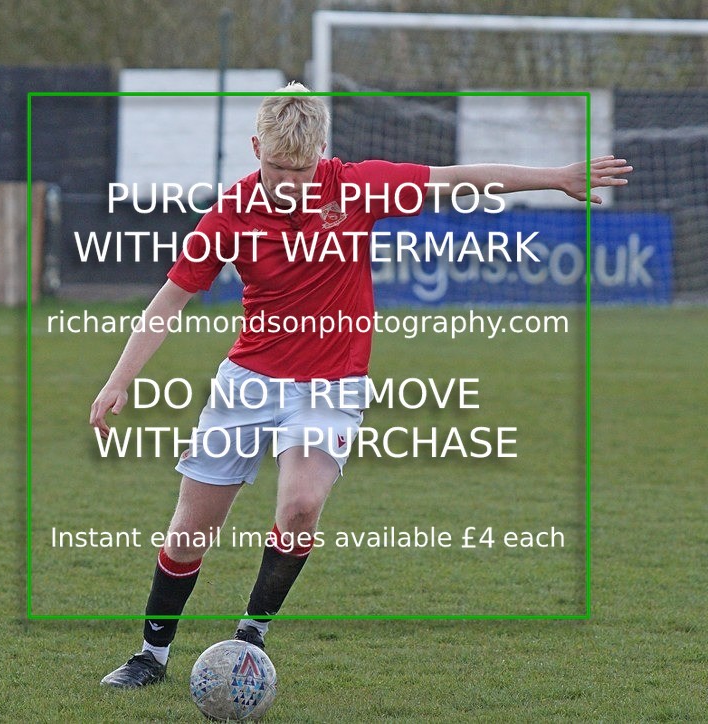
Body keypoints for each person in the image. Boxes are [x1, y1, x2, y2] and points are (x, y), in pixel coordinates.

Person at [91, 82, 632, 687]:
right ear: (256, 149)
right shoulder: (230, 213)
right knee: (191, 529)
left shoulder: (357, 187)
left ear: (321, 152)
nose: (289, 182)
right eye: (277, 167)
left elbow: (457, 180)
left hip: (331, 385)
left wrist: (556, 177)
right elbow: (169, 301)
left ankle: (250, 636)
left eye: (301, 169)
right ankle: (152, 655)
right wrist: (119, 380)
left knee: (301, 506)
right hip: (248, 382)